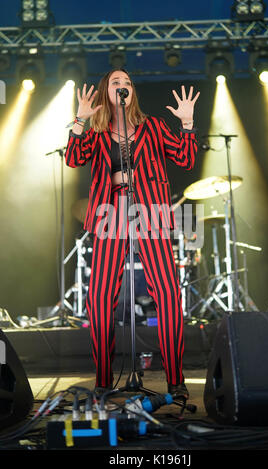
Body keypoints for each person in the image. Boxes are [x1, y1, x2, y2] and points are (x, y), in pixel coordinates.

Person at [65, 69, 199, 400]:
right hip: (109, 215)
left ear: (132, 92)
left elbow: (186, 159)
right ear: (104, 92)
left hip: (151, 212)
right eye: (116, 82)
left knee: (167, 294)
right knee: (98, 298)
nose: (122, 86)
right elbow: (73, 159)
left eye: (127, 83)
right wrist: (80, 121)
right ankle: (103, 381)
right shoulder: (95, 133)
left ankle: (175, 380)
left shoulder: (152, 127)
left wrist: (187, 124)